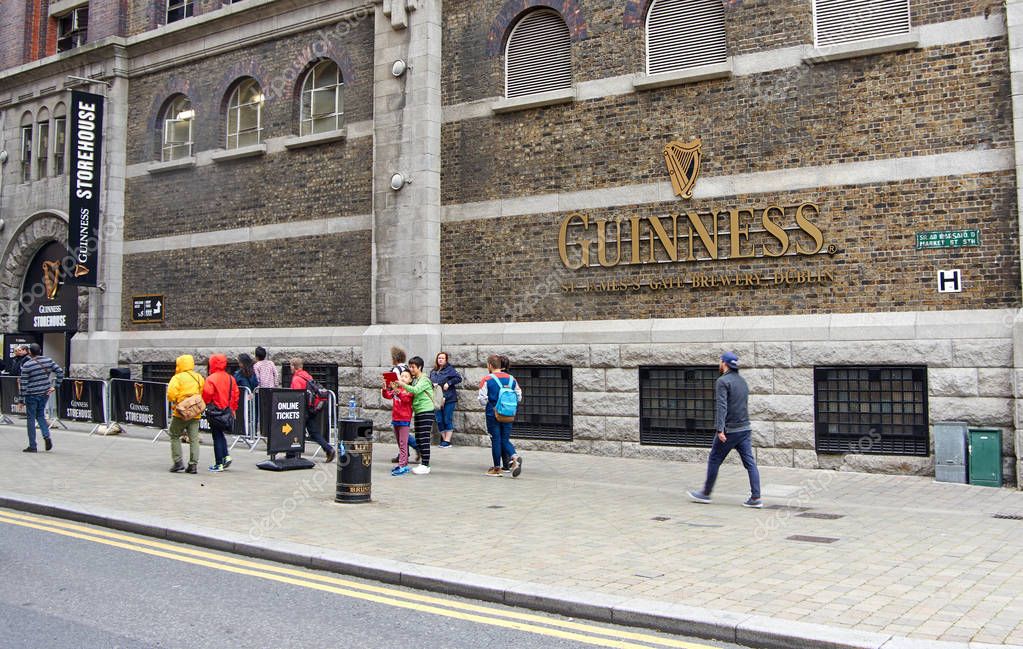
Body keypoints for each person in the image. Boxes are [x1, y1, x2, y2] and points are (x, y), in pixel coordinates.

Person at [688, 351, 763, 508]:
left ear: (725, 364)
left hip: (729, 431)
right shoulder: (743, 381)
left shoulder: (722, 381)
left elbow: (722, 406)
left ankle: (706, 493)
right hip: (745, 429)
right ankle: (756, 498)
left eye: (720, 361)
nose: (719, 364)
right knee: (750, 463)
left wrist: (720, 429)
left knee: (714, 459)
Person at [478, 353, 523, 477]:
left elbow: (482, 399)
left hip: (493, 414)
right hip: (509, 413)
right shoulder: (512, 379)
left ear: (490, 365)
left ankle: (497, 468)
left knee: (496, 440)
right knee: (504, 439)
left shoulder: (487, 379)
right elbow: (518, 396)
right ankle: (514, 457)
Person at [289, 358, 336, 462]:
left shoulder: (296, 379)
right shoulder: (307, 376)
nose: (290, 368)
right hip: (311, 409)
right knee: (314, 432)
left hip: (303, 409)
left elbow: (297, 395)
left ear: (293, 366)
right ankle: (329, 449)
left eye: (291, 366)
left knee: (293, 430)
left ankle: (291, 454)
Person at [18, 343, 63, 453]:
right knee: (41, 415)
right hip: (44, 393)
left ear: (29, 352)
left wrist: (21, 400)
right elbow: (59, 371)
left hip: (31, 394)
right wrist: (55, 386)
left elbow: (23, 383)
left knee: (31, 418)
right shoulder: (48, 361)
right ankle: (46, 436)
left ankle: (32, 445)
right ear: (40, 350)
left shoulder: (27, 365)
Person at [167, 354, 205, 474]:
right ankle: (193, 465)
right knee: (194, 439)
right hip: (195, 413)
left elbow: (171, 394)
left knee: (174, 434)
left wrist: (178, 401)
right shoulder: (199, 377)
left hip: (181, 413)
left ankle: (178, 462)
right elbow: (203, 393)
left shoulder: (177, 378)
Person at [202, 354, 240, 472]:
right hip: (227, 411)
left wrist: (206, 404)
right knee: (220, 434)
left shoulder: (211, 378)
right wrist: (233, 409)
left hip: (215, 411)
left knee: (217, 436)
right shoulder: (230, 378)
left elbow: (207, 395)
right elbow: (235, 395)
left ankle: (219, 463)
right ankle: (226, 456)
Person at [404, 356, 434, 475]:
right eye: (410, 366)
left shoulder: (424, 379)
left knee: (424, 438)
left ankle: (426, 465)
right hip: (418, 411)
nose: (411, 369)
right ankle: (423, 463)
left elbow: (415, 390)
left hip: (426, 411)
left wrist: (402, 384)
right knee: (418, 438)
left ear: (419, 367)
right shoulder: (415, 379)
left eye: (413, 367)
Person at [383, 369, 414, 476]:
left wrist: (397, 391)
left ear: (410, 380)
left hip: (404, 420)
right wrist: (384, 389)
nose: (403, 378)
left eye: (406, 376)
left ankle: (403, 465)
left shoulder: (409, 390)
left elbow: (405, 399)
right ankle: (402, 463)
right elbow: (387, 395)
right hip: (395, 419)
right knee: (399, 443)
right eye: (402, 376)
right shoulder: (397, 388)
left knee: (403, 443)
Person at [429, 351, 462, 448]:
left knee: (447, 419)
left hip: (449, 398)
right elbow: (430, 382)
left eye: (442, 358)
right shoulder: (433, 371)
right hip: (437, 398)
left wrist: (449, 382)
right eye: (439, 358)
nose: (440, 359)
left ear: (446, 360)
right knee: (439, 419)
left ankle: (447, 441)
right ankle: (444, 439)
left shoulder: (450, 369)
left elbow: (458, 378)